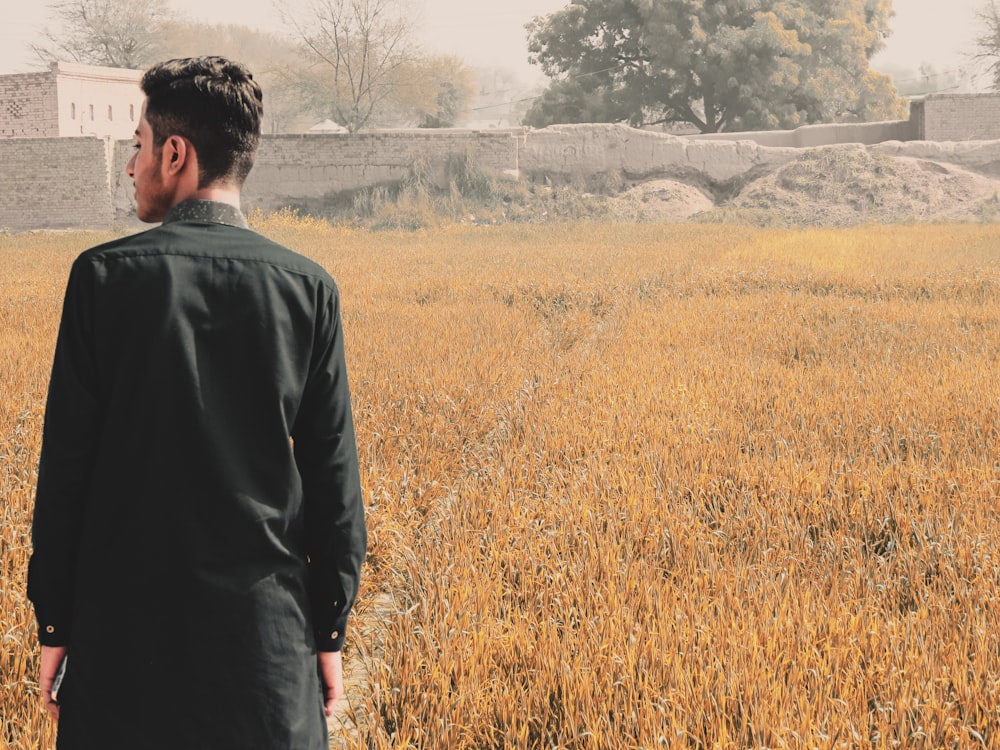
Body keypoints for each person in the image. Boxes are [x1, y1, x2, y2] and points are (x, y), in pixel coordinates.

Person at [27, 56, 367, 750]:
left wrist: (56, 626)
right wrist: (327, 631)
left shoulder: (102, 279)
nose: (132, 166)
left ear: (175, 154)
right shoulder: (308, 288)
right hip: (265, 652)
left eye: (138, 146)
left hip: (125, 648)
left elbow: (66, 473)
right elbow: (336, 485)